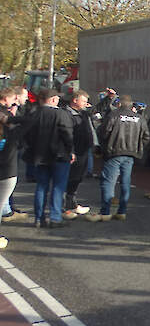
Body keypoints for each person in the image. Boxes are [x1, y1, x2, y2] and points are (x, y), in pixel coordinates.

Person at [86, 95, 148, 222]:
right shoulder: (139, 118)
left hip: (114, 152)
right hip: (131, 153)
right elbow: (146, 137)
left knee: (108, 182)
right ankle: (122, 211)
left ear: (119, 104)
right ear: (131, 105)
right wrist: (137, 147)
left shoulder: (113, 115)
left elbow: (103, 132)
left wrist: (103, 148)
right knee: (125, 182)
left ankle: (105, 211)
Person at [23, 88, 75, 228]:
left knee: (41, 187)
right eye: (57, 98)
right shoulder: (61, 114)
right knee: (58, 187)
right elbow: (67, 135)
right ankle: (55, 218)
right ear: (53, 99)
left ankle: (39, 218)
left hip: (39, 156)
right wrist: (70, 151)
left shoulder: (34, 113)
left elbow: (26, 135)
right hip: (59, 156)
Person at [63, 91, 97, 216]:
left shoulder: (83, 114)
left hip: (84, 150)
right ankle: (64, 207)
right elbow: (66, 134)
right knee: (68, 179)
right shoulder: (66, 114)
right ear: (75, 100)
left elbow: (95, 114)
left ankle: (72, 203)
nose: (85, 104)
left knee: (77, 178)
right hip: (73, 152)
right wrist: (70, 151)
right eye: (83, 101)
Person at [1, 87, 30, 224]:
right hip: (7, 161)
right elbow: (27, 122)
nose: (15, 102)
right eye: (13, 99)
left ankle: (7, 209)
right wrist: (12, 118)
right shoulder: (7, 119)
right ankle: (6, 210)